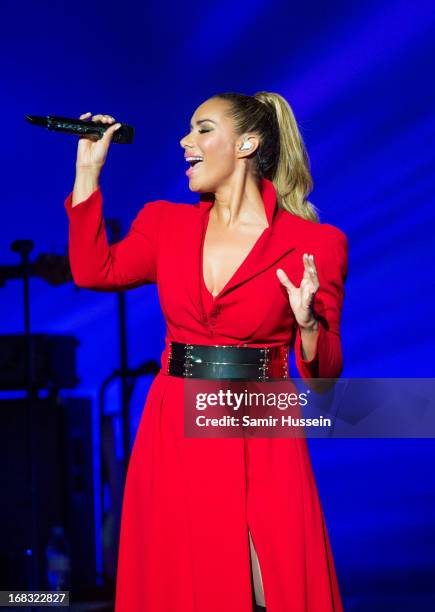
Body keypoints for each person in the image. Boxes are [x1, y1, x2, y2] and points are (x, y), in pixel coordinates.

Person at [64, 91, 348, 612]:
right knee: (185, 582)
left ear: (247, 143)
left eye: (202, 129)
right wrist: (88, 173)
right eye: (188, 130)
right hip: (175, 420)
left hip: (262, 424)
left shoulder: (316, 243)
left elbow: (325, 374)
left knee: (276, 579)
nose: (185, 141)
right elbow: (93, 270)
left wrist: (307, 323)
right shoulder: (165, 224)